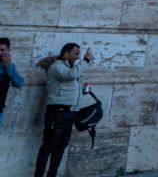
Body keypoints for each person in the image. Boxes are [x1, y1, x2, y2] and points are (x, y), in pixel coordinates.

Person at [34, 42, 91, 177]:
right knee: (49, 145)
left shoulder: (71, 68)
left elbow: (73, 77)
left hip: (69, 113)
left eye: (79, 54)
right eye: (76, 54)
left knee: (61, 146)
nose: (78, 57)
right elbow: (70, 75)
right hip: (57, 113)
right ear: (66, 54)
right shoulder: (57, 67)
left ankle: (52, 174)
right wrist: (86, 60)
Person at [1, 36, 25, 128]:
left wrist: (8, 66)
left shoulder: (10, 67)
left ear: (8, 51)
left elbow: (19, 83)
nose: (0, 52)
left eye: (2, 50)